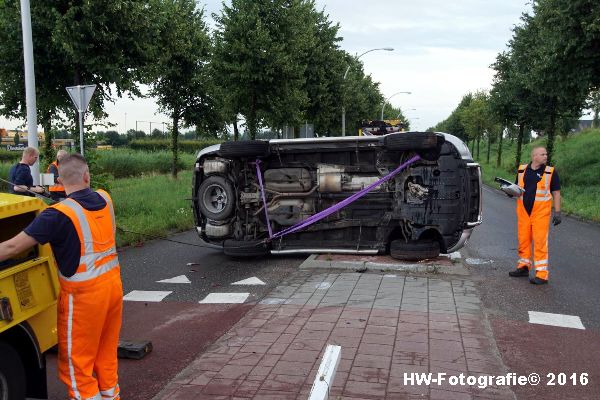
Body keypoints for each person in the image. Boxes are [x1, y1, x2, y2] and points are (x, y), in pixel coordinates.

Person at [0, 153, 122, 399]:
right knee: (105, 357)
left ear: (59, 179)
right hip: (113, 289)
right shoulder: (105, 199)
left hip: (83, 298)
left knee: (77, 368)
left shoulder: (56, 215)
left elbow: (12, 248)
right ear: (87, 175)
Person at [508, 146, 561, 285]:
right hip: (524, 212)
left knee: (539, 242)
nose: (545, 156)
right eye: (542, 154)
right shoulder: (522, 170)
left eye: (546, 154)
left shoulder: (551, 172)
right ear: (534, 156)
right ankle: (523, 267)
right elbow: (516, 187)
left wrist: (558, 212)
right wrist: (509, 191)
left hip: (541, 214)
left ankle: (542, 275)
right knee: (523, 240)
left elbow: (556, 193)